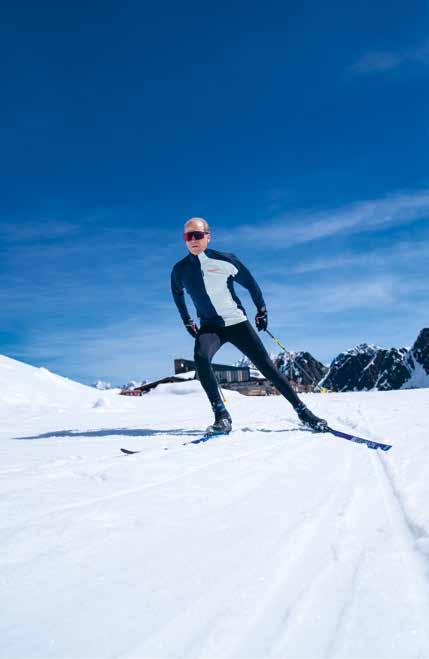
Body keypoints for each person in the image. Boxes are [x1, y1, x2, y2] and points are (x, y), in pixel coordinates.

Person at [171, 217, 328, 434]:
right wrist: (186, 319)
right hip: (210, 326)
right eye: (188, 236)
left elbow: (251, 283)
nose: (193, 240)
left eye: (197, 235)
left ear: (208, 236)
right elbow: (177, 294)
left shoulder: (225, 260)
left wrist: (261, 309)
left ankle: (304, 412)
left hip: (237, 323)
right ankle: (221, 416)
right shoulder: (180, 270)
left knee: (266, 366)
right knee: (201, 358)